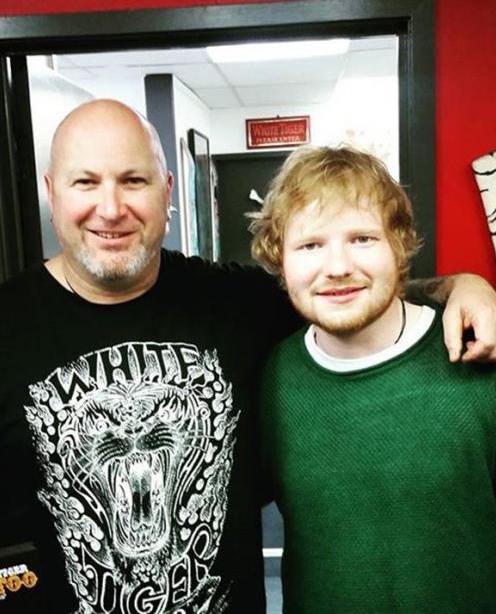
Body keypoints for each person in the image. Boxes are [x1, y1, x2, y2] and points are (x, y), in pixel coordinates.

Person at [0, 101, 493, 614]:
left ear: (167, 190)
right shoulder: (7, 327)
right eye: (85, 182)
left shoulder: (238, 304)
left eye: (133, 180)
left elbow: (349, 295)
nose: (110, 207)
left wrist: (464, 287)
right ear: (51, 192)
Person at [251, 145, 496, 614]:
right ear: (279, 259)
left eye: (362, 238)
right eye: (310, 245)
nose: (338, 267)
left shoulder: (476, 352)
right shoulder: (271, 378)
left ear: (399, 244)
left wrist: (468, 283)